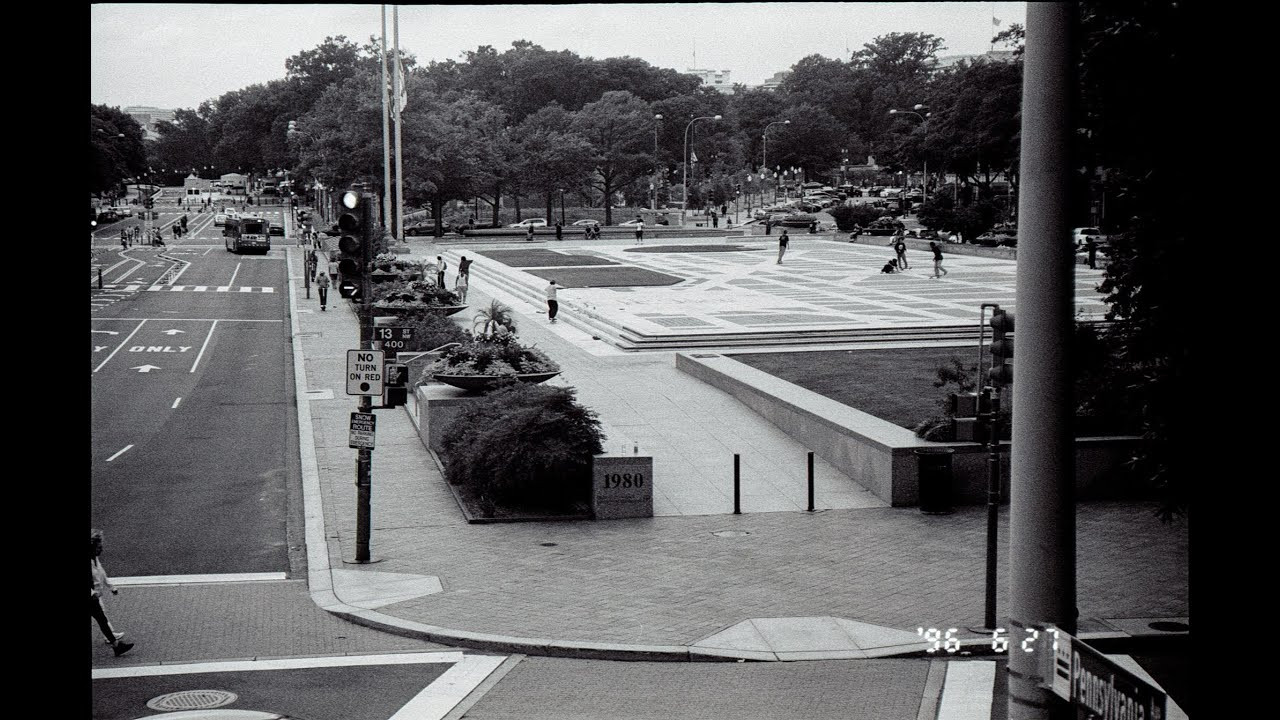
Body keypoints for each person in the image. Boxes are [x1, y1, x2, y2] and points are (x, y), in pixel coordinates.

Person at [91, 530, 134, 657]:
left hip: (94, 598)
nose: (101, 549)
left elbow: (102, 574)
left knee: (102, 619)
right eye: (99, 547)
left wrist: (111, 587)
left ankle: (116, 645)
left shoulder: (95, 559)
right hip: (92, 597)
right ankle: (116, 645)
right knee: (101, 619)